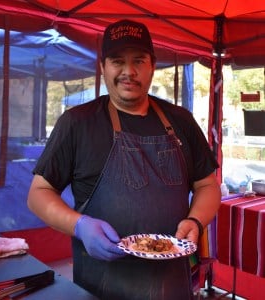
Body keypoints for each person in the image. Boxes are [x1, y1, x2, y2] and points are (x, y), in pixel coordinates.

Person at [27, 19, 221, 300]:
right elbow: (38, 193)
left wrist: (196, 220)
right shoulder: (77, 123)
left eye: (139, 61)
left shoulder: (181, 121)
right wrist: (79, 225)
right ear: (102, 66)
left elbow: (207, 185)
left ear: (152, 65)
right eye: (117, 61)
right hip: (101, 286)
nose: (129, 72)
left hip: (173, 286)